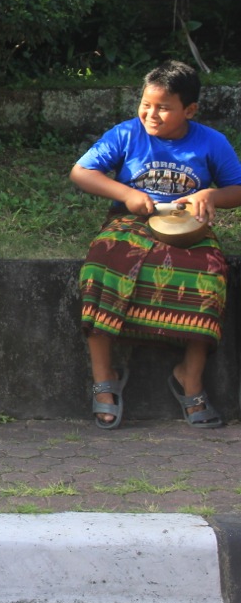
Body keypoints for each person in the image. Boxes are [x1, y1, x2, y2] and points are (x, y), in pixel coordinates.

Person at [72, 60, 241, 429]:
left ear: (189, 110)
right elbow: (80, 171)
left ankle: (189, 377)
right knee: (100, 265)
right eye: (146, 104)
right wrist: (126, 193)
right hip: (129, 223)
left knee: (211, 274)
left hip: (188, 228)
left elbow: (238, 189)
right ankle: (104, 380)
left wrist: (211, 194)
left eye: (164, 107)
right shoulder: (126, 134)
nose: (151, 113)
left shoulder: (212, 141)